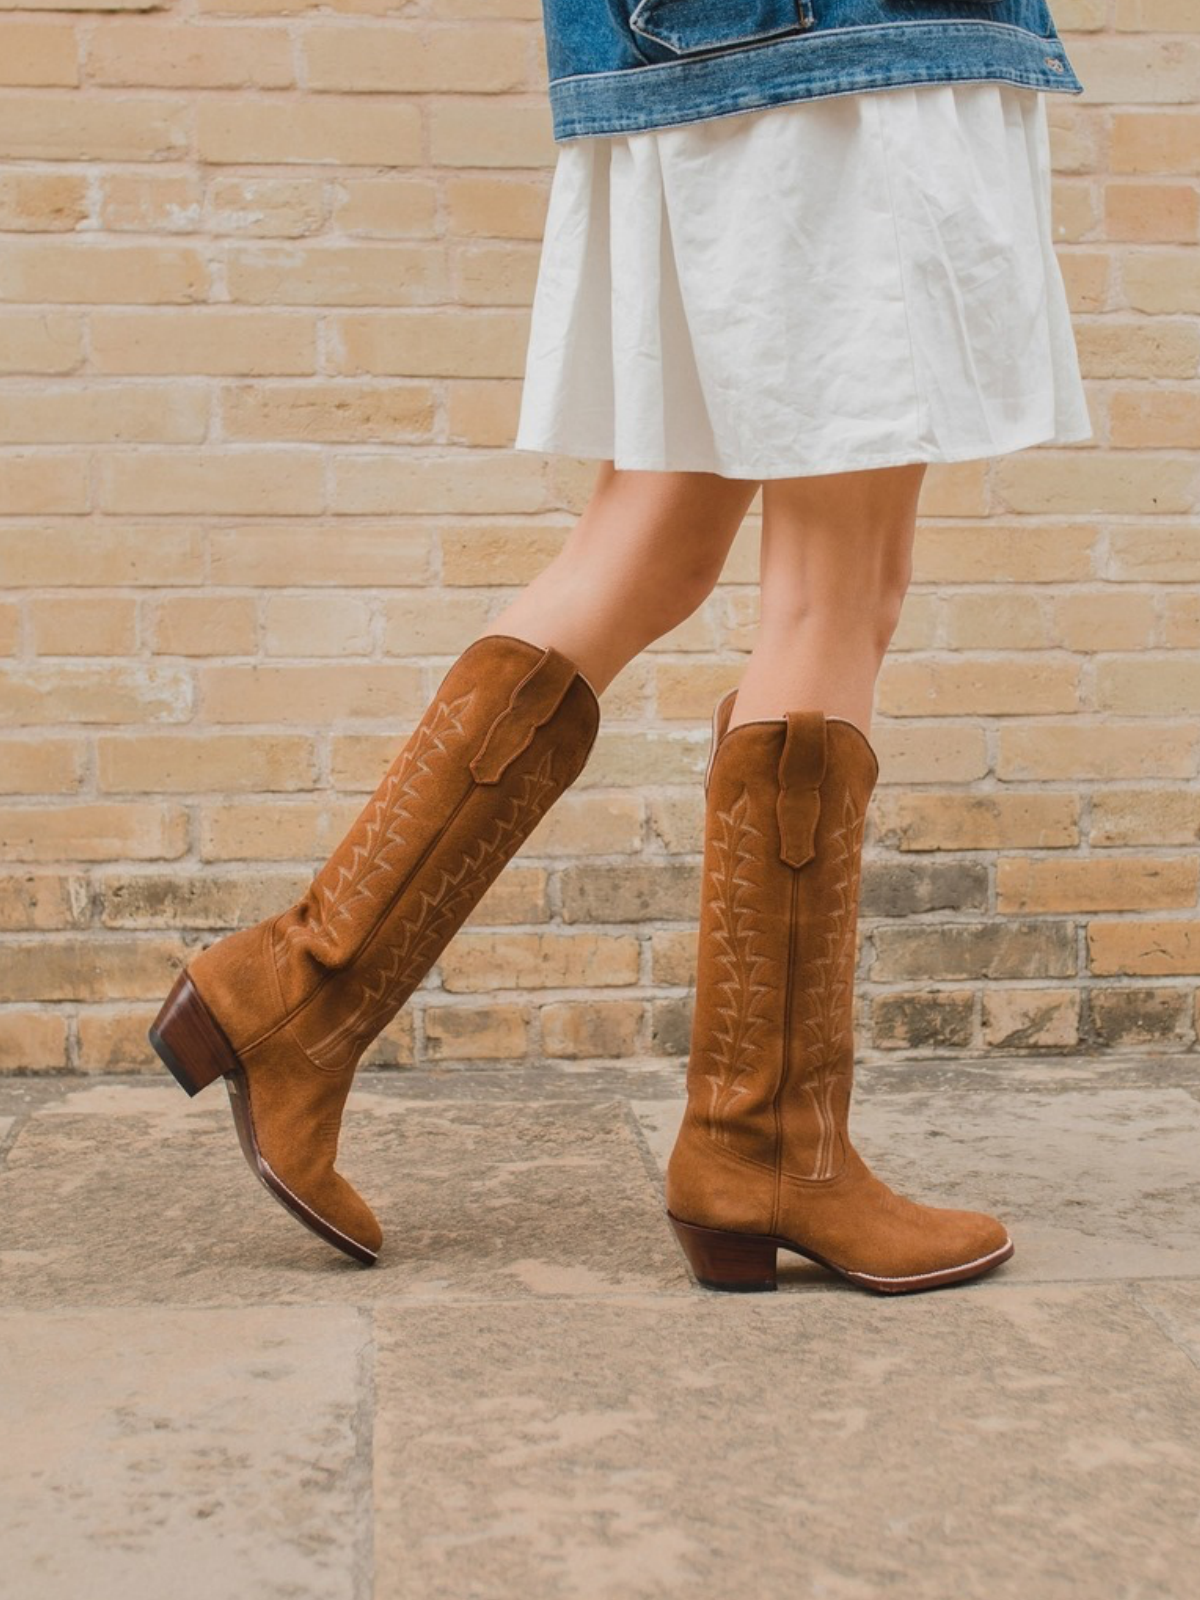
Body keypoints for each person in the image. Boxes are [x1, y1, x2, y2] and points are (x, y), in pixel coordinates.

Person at [149, 0, 1091, 1293]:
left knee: (648, 537)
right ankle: (763, 1145)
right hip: (840, 51)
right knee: (837, 587)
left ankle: (296, 993)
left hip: (695, 43)